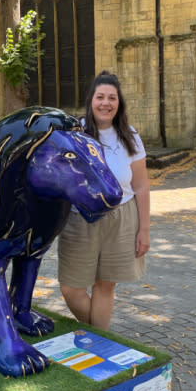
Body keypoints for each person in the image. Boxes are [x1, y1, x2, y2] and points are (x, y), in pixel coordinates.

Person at [58, 70, 151, 330]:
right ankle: (103, 338)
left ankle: (100, 342)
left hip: (122, 218)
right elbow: (34, 139)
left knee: (105, 284)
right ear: (91, 101)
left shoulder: (130, 136)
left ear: (119, 104)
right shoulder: (75, 133)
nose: (105, 103)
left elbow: (141, 185)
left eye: (112, 98)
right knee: (71, 288)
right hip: (80, 218)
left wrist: (144, 230)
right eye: (100, 97)